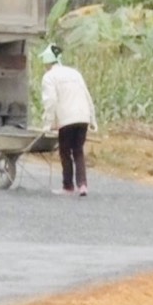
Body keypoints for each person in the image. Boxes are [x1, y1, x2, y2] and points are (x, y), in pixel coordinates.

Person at [40, 43, 97, 196]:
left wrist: (47, 124)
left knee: (65, 151)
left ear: (47, 62)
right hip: (82, 117)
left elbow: (50, 102)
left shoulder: (49, 77)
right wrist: (92, 120)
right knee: (78, 150)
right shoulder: (74, 73)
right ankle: (83, 185)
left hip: (66, 119)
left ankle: (68, 186)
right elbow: (87, 95)